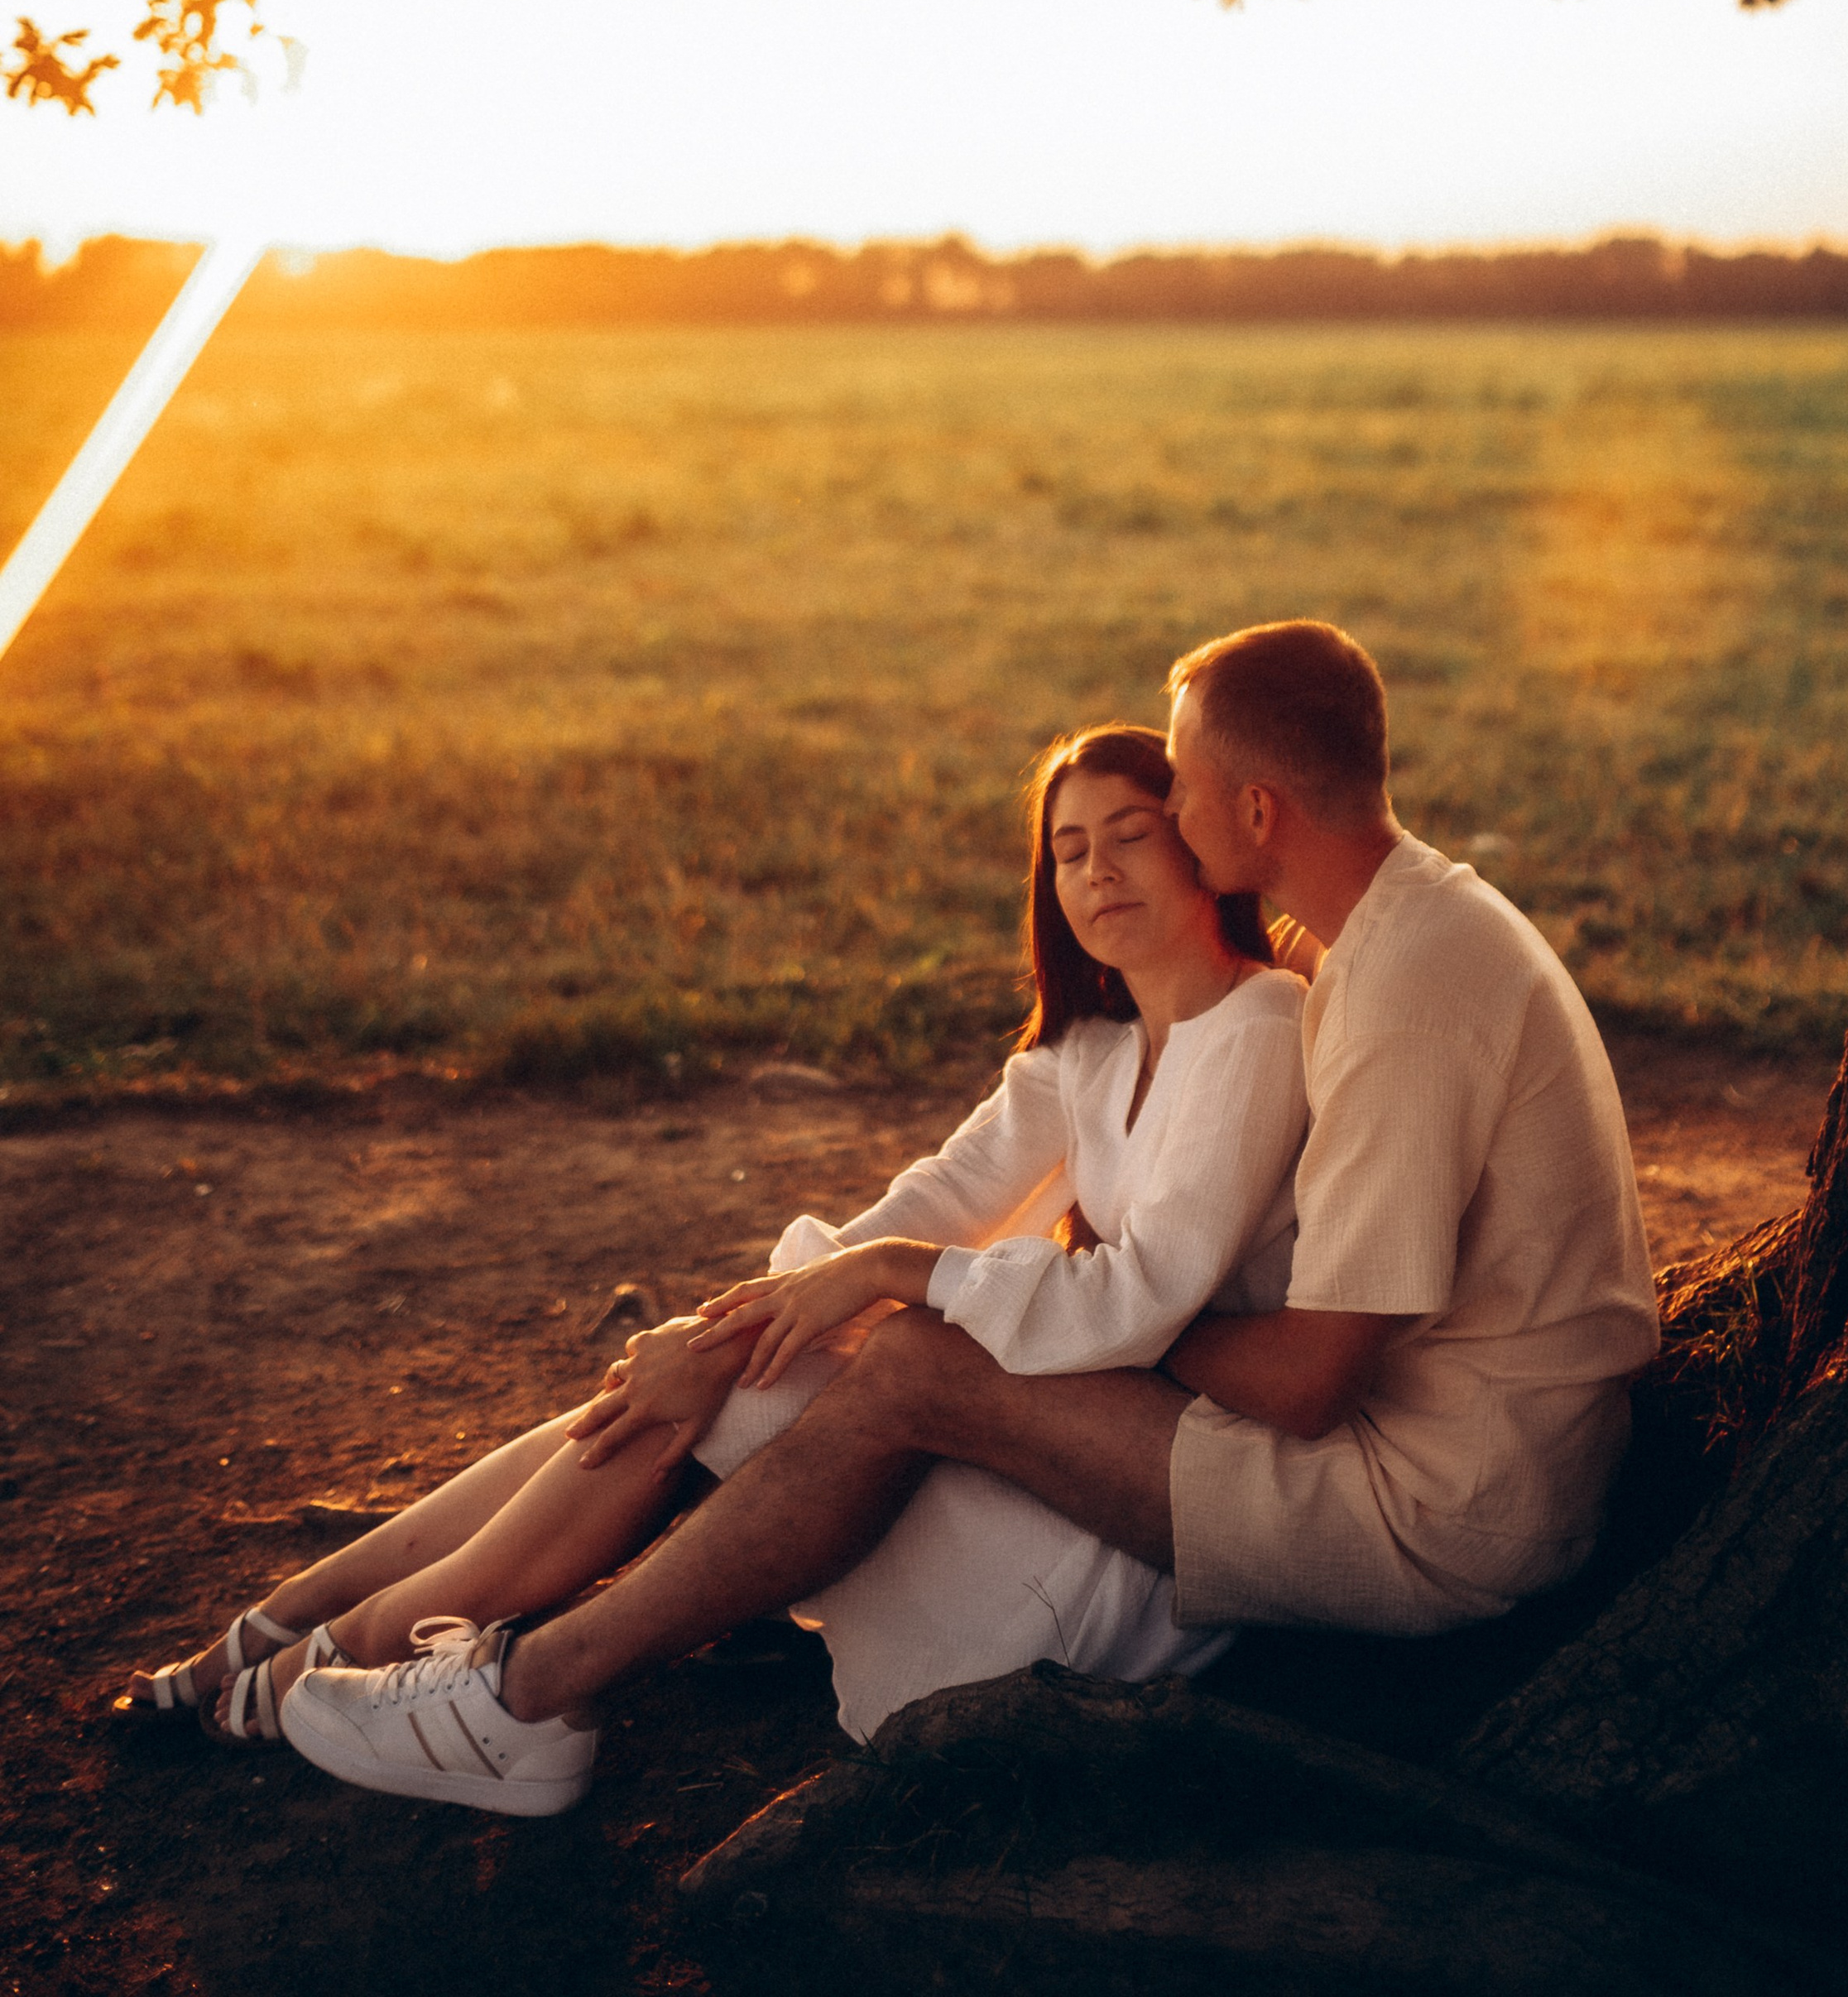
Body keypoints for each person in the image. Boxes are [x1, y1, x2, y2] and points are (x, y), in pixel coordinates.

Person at [272, 617, 1660, 1818]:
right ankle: (350, 1633)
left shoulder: (1394, 996)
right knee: (887, 1341)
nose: (1152, 825)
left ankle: (526, 1694)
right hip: (1418, 1446)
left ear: (1251, 815)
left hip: (1441, 1508)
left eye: (1173, 793)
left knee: (932, 1359)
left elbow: (1301, 1383)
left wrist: (1031, 1296)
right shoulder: (1393, 937)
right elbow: (1053, 1218)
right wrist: (949, 1285)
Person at [118, 725, 1308, 1789]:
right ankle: (303, 1623)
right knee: (707, 1368)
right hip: (1045, 1424)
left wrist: (866, 1282)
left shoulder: (1255, 1031)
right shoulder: (1096, 1047)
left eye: (1131, 837)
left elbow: (1147, 1300)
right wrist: (759, 1310)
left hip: (1120, 1519)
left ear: (1199, 845)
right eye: (1069, 848)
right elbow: (946, 1194)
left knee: (740, 1377)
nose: (1096, 872)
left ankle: (360, 1654)